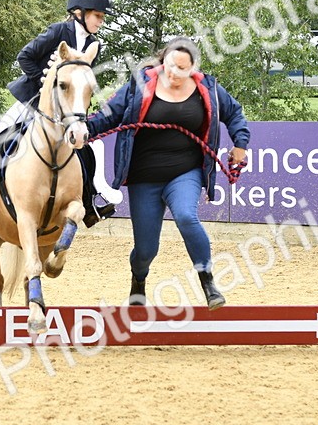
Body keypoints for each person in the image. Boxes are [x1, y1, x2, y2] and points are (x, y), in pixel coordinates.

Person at [85, 37, 250, 309]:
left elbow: (234, 113)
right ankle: (138, 281)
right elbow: (109, 116)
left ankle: (207, 281)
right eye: (172, 66)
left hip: (185, 171)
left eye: (183, 69)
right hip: (143, 177)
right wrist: (84, 130)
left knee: (186, 216)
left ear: (193, 68)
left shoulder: (207, 88)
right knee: (146, 250)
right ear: (164, 61)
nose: (175, 73)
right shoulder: (140, 84)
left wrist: (240, 145)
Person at [0, 0, 116, 227]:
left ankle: (89, 199)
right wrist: (44, 85)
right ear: (79, 12)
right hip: (32, 98)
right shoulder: (57, 32)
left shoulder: (94, 44)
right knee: (1, 132)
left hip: (65, 109)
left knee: (86, 147)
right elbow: (25, 57)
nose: (100, 21)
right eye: (98, 15)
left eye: (102, 17)